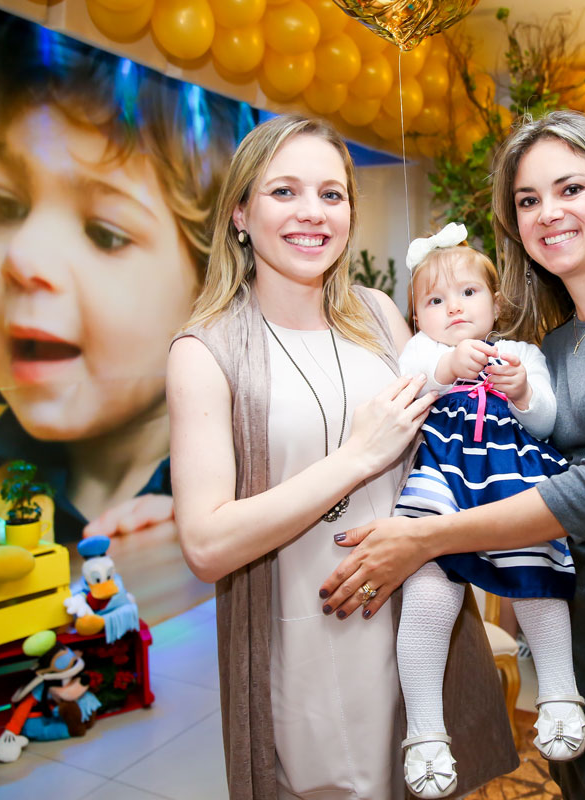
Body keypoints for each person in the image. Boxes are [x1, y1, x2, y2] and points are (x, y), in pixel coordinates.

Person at [319, 109, 585, 799]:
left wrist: (425, 538)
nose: (548, 212)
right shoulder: (555, 344)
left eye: (570, 188)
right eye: (528, 200)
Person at [166, 114, 516, 800]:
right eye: (284, 192)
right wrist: (358, 457)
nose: (313, 213)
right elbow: (206, 545)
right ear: (240, 214)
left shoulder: (379, 315)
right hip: (307, 637)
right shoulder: (206, 351)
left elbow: (445, 444)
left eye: (331, 194)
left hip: (413, 616)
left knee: (427, 773)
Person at [0, 20, 244, 541]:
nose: (22, 258)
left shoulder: (256, 471)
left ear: (208, 287)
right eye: (5, 204)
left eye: (104, 234)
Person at [393, 224, 583, 798]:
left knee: (538, 577)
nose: (453, 307)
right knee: (427, 593)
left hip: (510, 480)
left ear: (496, 304)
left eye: (468, 293)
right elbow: (410, 385)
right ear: (417, 316)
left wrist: (521, 390)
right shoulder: (423, 351)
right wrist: (449, 366)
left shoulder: (521, 353)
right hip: (442, 480)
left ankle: (559, 695)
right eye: (434, 300)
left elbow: (547, 421)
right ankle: (425, 733)